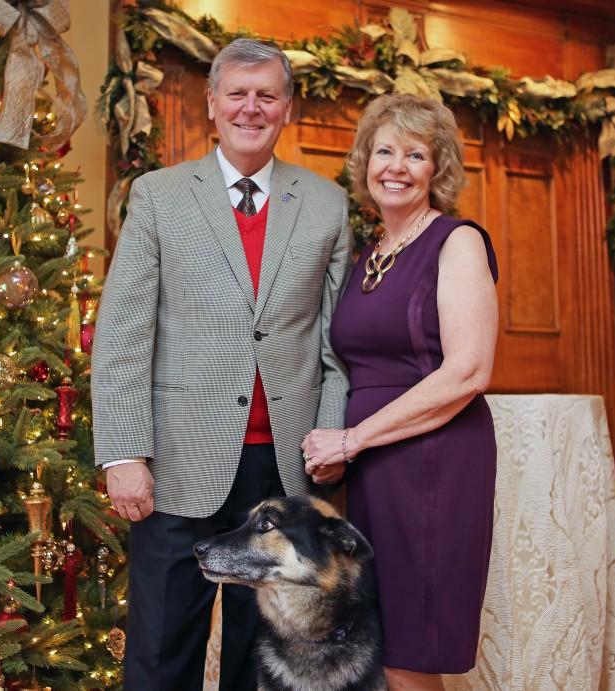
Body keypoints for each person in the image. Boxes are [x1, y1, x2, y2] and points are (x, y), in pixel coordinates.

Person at [91, 38, 353, 690]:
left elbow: (334, 343)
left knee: (263, 652)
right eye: (236, 93)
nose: (250, 108)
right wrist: (123, 452)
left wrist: (328, 438)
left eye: (266, 95)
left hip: (282, 469)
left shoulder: (327, 204)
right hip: (177, 462)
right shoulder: (159, 195)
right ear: (212, 104)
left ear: (287, 108)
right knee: (160, 649)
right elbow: (123, 333)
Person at [301, 94, 499, 691]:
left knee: (412, 643)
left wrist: (354, 438)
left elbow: (468, 370)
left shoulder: (456, 240)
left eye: (415, 155)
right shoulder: (368, 256)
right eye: (384, 151)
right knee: (382, 641)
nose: (396, 166)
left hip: (432, 462)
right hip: (373, 468)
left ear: (437, 170)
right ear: (365, 162)